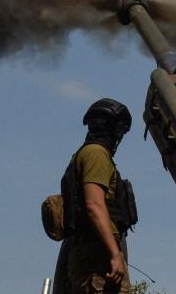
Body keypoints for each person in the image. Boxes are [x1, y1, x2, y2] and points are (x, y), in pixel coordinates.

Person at [55, 98, 137, 294]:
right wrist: (114, 254)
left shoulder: (85, 154)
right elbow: (94, 205)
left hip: (91, 252)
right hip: (97, 257)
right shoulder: (96, 154)